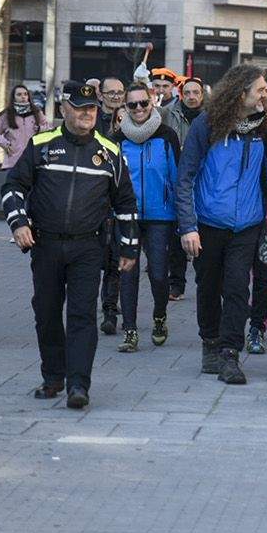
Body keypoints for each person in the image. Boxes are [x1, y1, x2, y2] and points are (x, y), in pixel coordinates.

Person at [3, 81, 139, 409]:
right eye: (79, 108)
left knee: (81, 316)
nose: (86, 114)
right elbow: (13, 187)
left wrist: (130, 247)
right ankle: (53, 377)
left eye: (91, 109)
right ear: (65, 109)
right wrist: (19, 222)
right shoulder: (41, 144)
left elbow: (126, 203)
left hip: (88, 248)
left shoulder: (110, 152)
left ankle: (79, 385)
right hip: (46, 245)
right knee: (47, 312)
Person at [175, 64, 267, 385]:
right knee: (208, 287)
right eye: (261, 90)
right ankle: (210, 341)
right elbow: (185, 177)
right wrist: (188, 226)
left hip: (247, 225)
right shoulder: (207, 125)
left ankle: (230, 354)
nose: (266, 95)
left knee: (238, 288)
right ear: (241, 92)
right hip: (208, 223)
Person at [117, 82, 180, 353]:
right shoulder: (118, 140)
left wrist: (182, 217)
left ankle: (159, 315)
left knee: (157, 272)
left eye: (143, 103)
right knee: (127, 272)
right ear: (126, 108)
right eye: (133, 105)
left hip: (160, 215)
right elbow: (113, 181)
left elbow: (177, 177)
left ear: (152, 102)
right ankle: (130, 330)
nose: (139, 108)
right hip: (127, 215)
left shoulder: (167, 136)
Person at [167, 76, 210, 300]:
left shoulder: (211, 118)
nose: (192, 97)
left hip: (203, 179)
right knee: (178, 231)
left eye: (196, 93)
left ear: (202, 95)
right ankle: (177, 283)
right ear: (181, 95)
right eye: (188, 93)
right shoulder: (168, 113)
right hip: (178, 178)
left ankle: (203, 276)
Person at [0, 84, 51, 168]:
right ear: (13, 97)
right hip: (13, 164)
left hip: (34, 164)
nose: (23, 97)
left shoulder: (37, 113)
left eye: (25, 94)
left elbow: (50, 130)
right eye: (19, 94)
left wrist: (40, 129)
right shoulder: (7, 115)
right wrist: (4, 143)